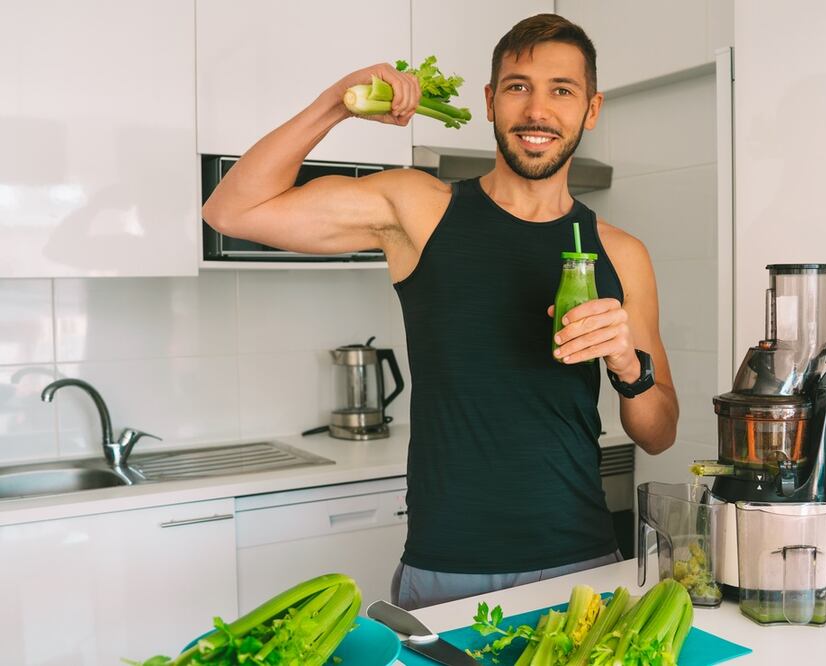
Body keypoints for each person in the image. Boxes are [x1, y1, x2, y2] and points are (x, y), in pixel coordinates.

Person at [202, 14, 679, 609]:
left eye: (562, 90)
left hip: (581, 565)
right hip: (447, 569)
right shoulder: (418, 209)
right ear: (489, 101)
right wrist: (337, 103)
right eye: (517, 86)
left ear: (591, 109)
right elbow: (232, 211)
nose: (537, 110)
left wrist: (629, 367)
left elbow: (659, 434)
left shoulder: (621, 253)